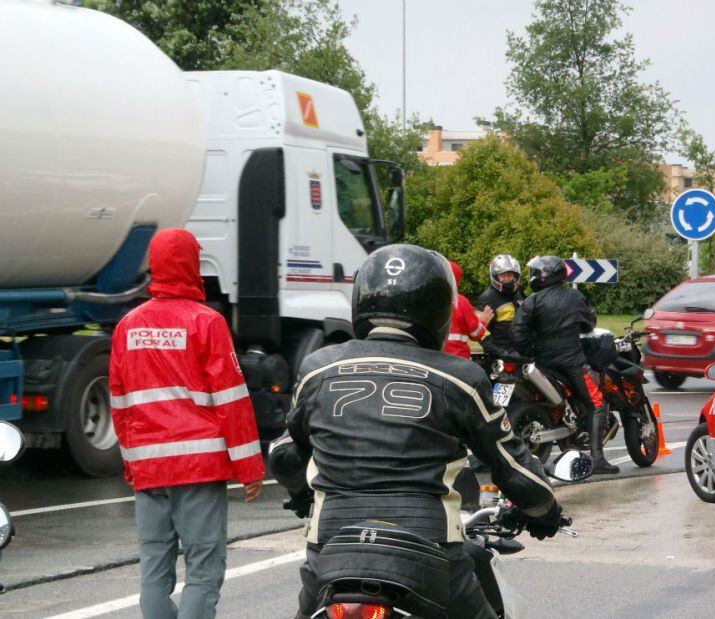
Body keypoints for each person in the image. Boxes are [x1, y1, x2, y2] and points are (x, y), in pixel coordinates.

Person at [275, 244, 563, 618]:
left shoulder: (318, 368)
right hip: (430, 550)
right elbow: (513, 466)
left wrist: (301, 494)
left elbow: (283, 456)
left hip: (330, 547)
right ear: (441, 309)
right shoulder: (460, 378)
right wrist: (545, 510)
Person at [109, 228, 264, 619]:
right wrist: (249, 469)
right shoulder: (206, 322)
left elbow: (121, 405)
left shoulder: (128, 327)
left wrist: (133, 465)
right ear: (192, 265)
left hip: (149, 470)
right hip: (198, 468)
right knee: (203, 571)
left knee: (154, 573)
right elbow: (232, 400)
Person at [512, 256, 619, 475]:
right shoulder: (574, 296)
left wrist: (530, 351)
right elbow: (590, 322)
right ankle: (597, 459)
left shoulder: (532, 301)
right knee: (597, 403)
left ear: (545, 274)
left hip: (543, 364)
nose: (533, 276)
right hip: (572, 363)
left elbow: (517, 332)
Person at [444, 261, 494, 359]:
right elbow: (475, 333)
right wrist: (483, 321)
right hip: (458, 359)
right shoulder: (461, 302)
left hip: (435, 359)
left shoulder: (429, 301)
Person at [478, 254, 524, 359]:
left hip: (520, 353)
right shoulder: (487, 298)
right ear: (495, 276)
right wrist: (499, 352)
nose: (507, 279)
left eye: (510, 275)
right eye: (503, 276)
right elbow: (481, 331)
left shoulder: (518, 294)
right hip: (498, 357)